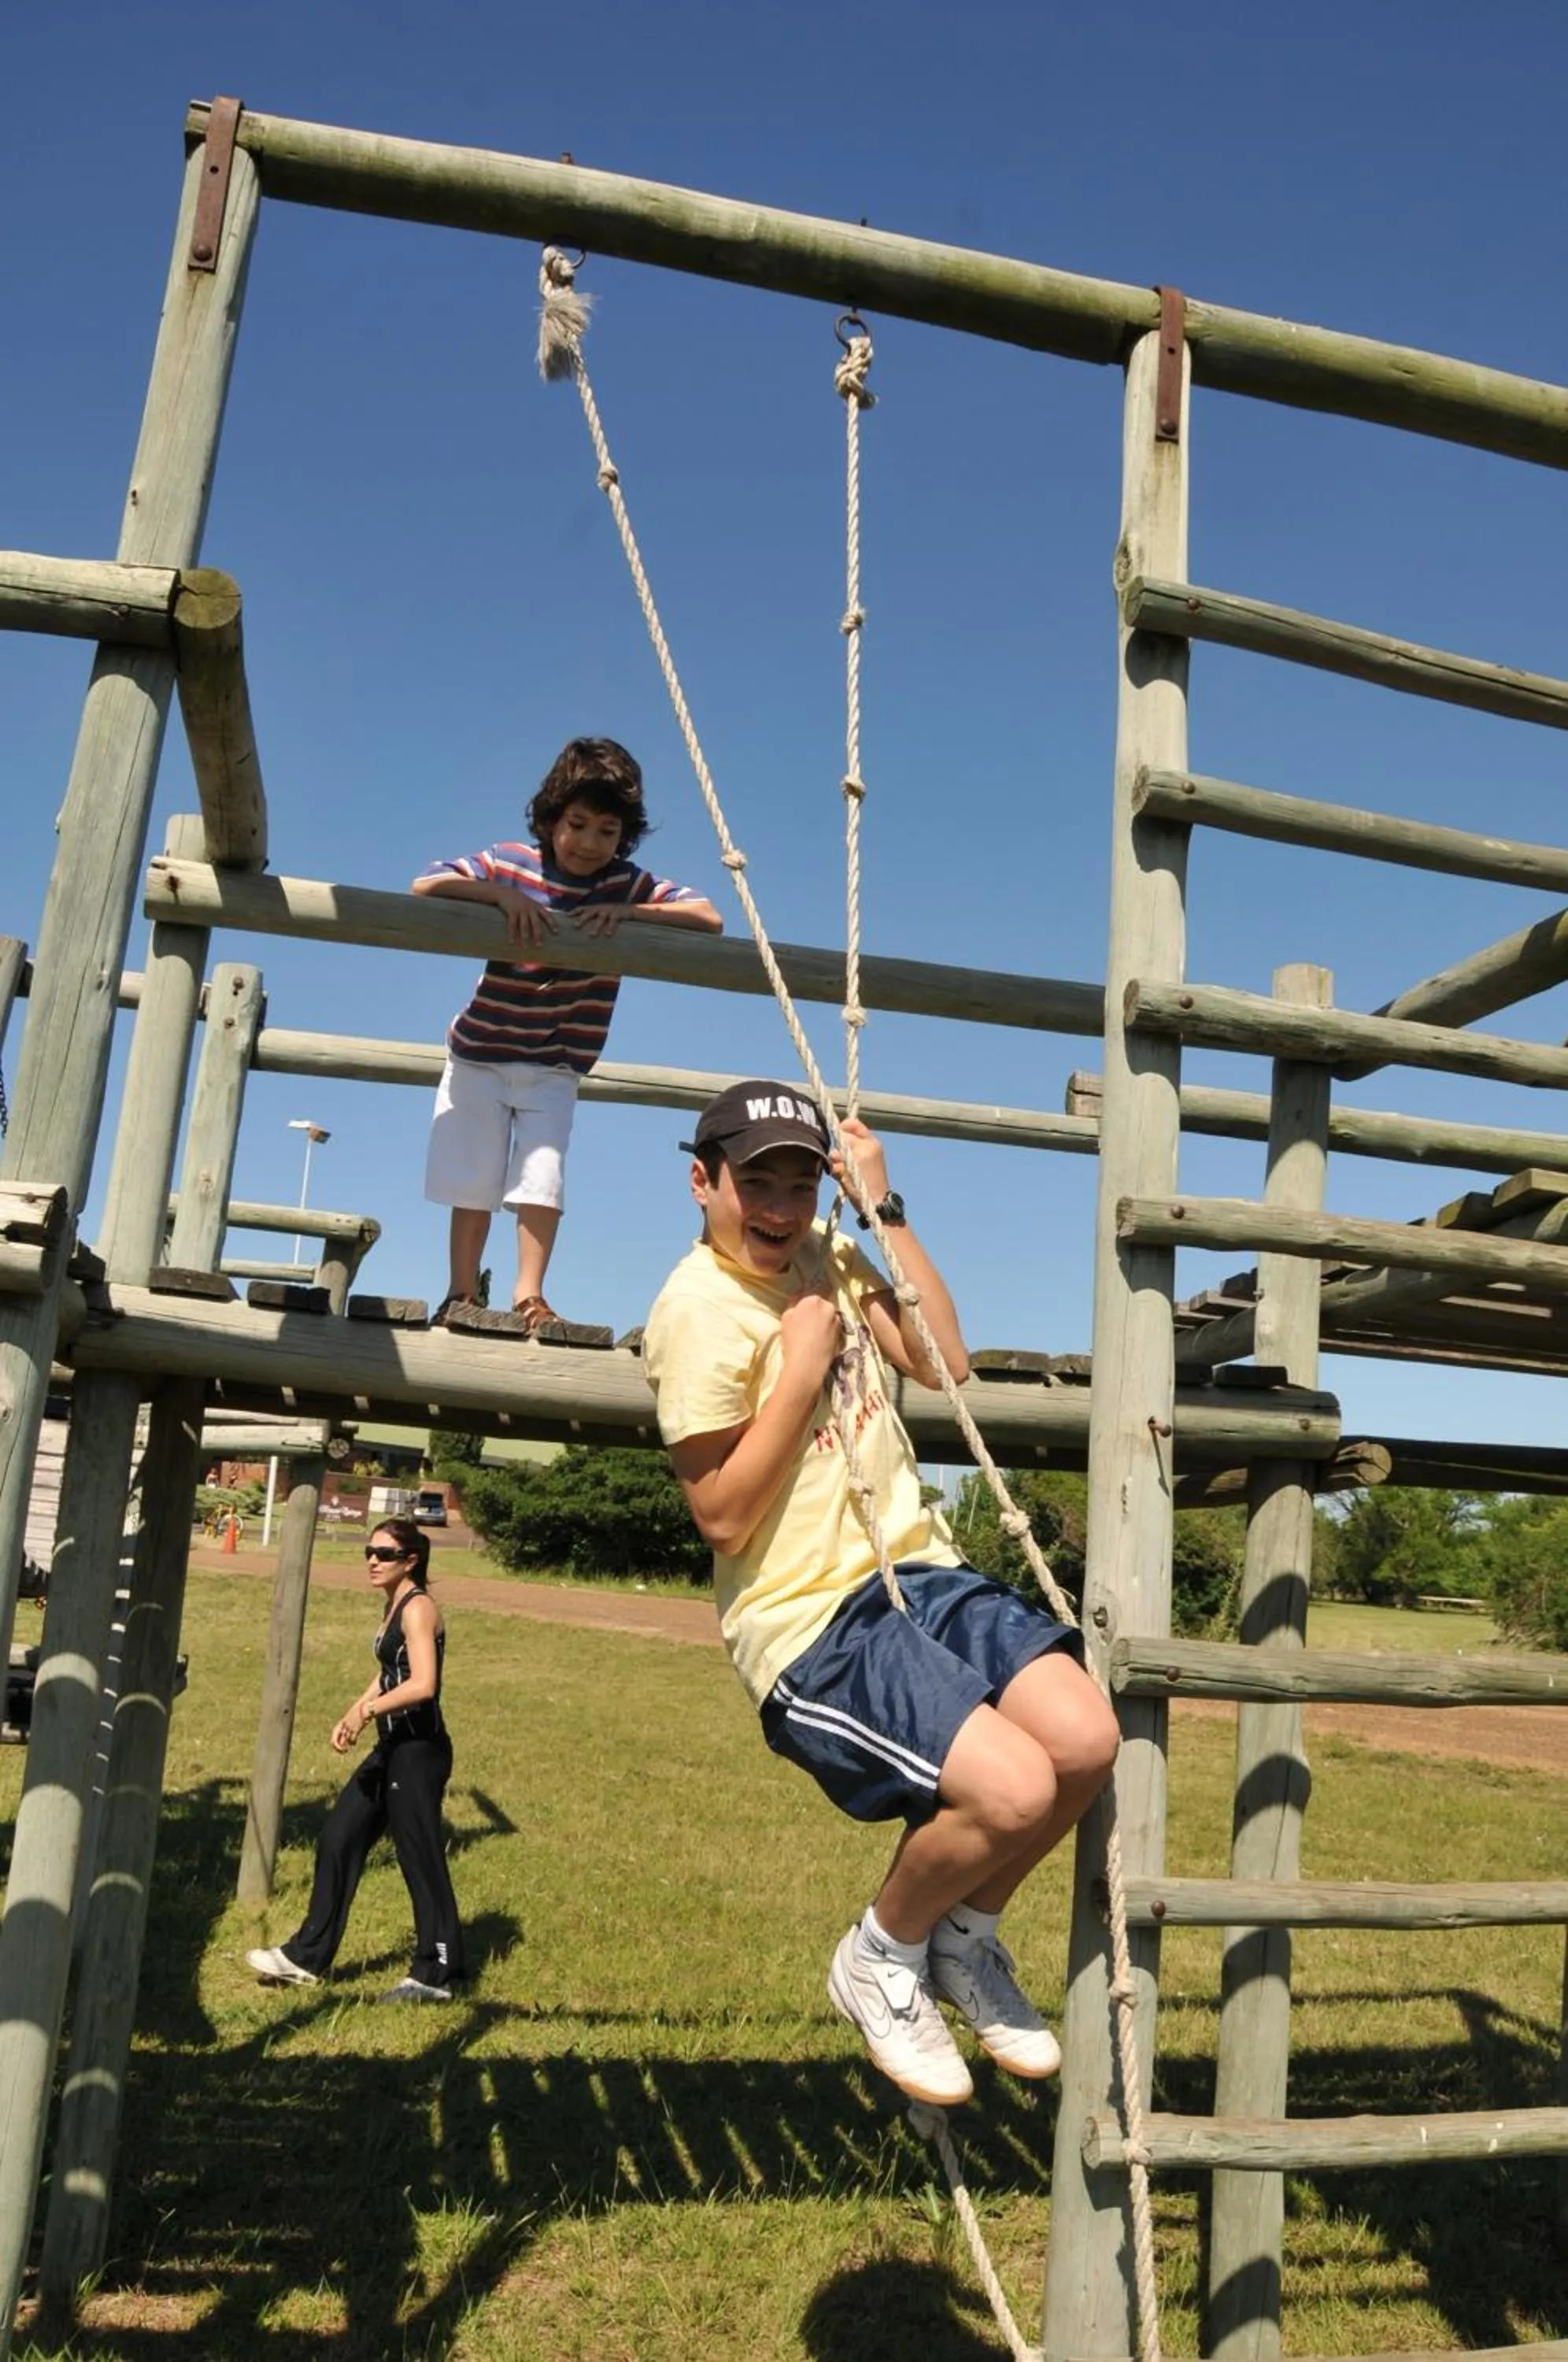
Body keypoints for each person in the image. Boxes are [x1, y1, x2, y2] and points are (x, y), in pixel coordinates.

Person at [643, 1080, 1120, 2107]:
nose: (778, 1207)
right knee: (1014, 1790)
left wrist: (882, 1212)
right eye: (753, 1182)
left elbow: (945, 1366)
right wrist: (799, 1371)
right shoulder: (696, 1310)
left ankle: (962, 1937)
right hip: (813, 1614)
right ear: (702, 1181)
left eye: (799, 1180)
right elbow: (722, 1518)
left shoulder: (836, 1252)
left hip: (921, 1569)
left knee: (1084, 1742)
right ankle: (879, 1953)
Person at [412, 736, 722, 1332]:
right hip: (480, 1052)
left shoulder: (624, 885)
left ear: (623, 837)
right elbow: (427, 883)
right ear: (550, 819)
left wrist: (631, 914)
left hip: (556, 1060)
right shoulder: (511, 863)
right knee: (473, 1175)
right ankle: (462, 1293)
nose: (588, 843)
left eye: (607, 831)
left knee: (542, 1175)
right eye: (576, 824)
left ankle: (530, 1295)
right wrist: (499, 897)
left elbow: (707, 915)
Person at [246, 1518, 465, 2003]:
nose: (372, 1560)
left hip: (418, 1752)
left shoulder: (419, 1609)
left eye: (384, 1554)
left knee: (419, 1855)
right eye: (369, 1551)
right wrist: (358, 1709)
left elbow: (424, 1683)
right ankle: (306, 1957)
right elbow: (393, 1671)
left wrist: (369, 1709)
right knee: (338, 1838)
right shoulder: (394, 1606)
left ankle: (437, 1973)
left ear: (411, 1561)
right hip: (391, 1747)